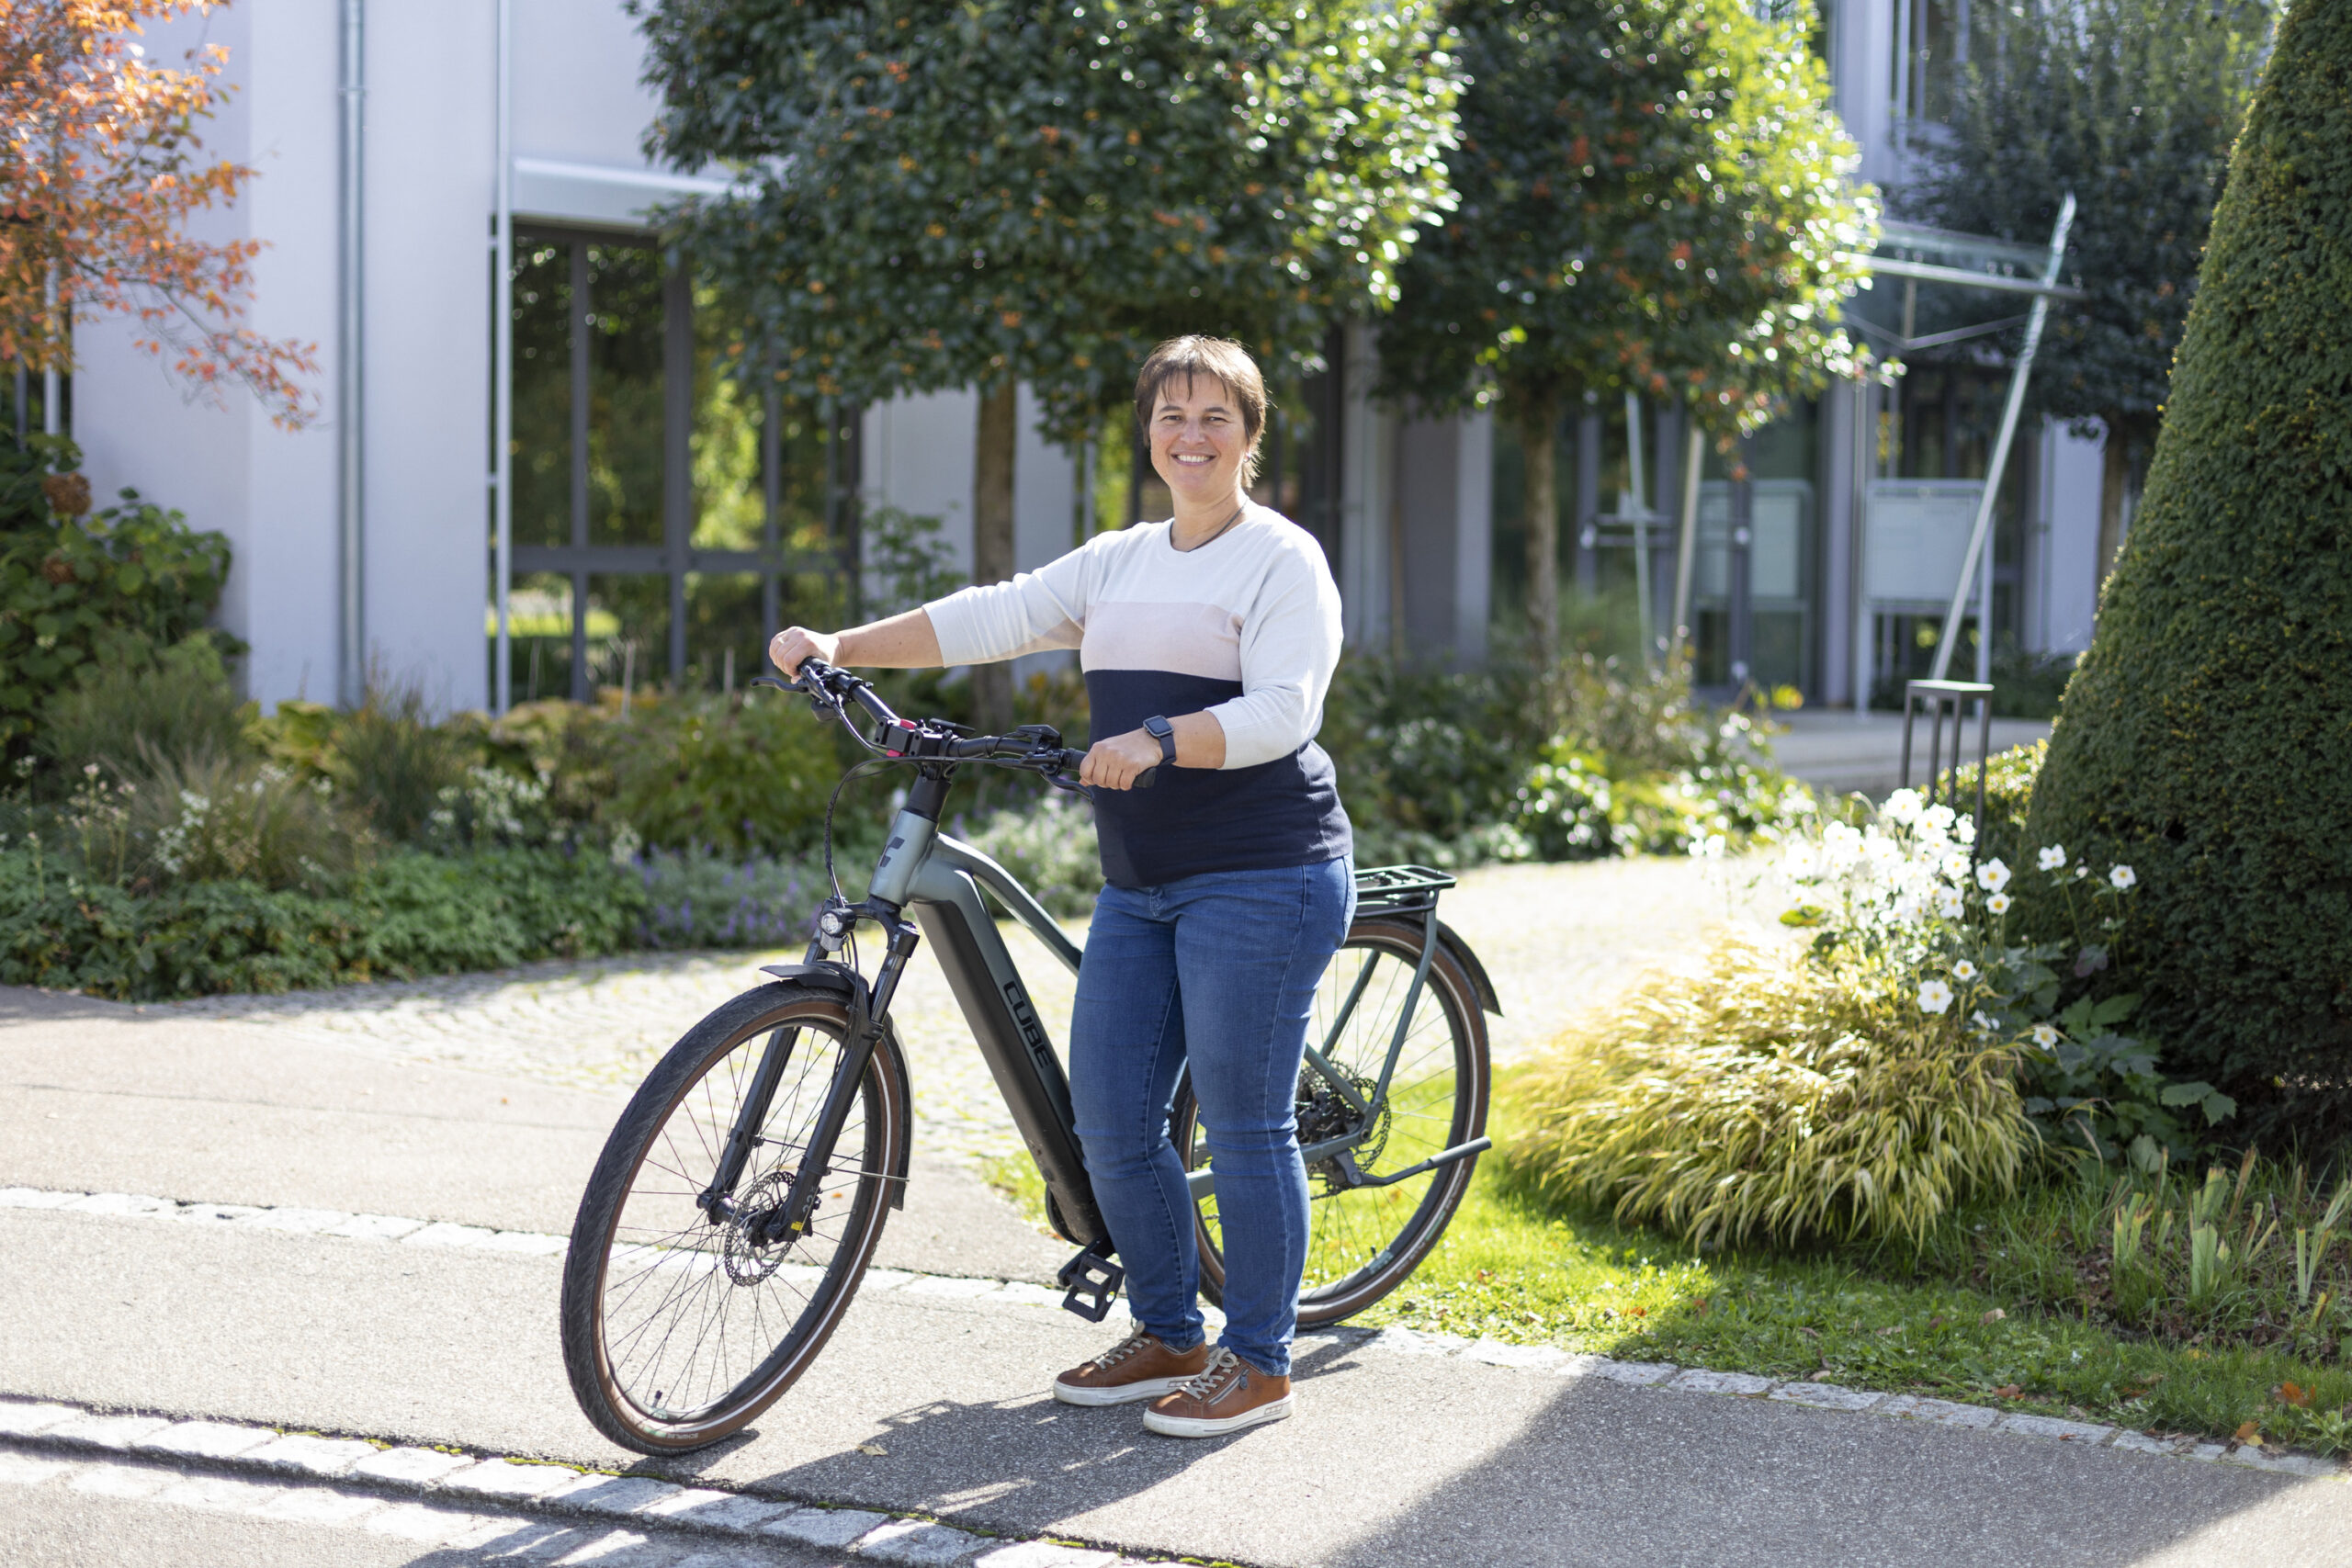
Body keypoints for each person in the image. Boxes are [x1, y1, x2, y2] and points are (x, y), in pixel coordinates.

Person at [767, 335, 1353, 1438]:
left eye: (1214, 418)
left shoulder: (1281, 561)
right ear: (1149, 431)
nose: (1190, 436)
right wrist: (841, 643)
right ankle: (1171, 1329)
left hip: (1264, 875)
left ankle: (1260, 1362)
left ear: (1250, 435)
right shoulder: (1122, 558)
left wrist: (1164, 738)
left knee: (1242, 1124)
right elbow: (995, 614)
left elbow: (1287, 708)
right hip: (1142, 880)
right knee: (1114, 1125)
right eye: (1171, 415)